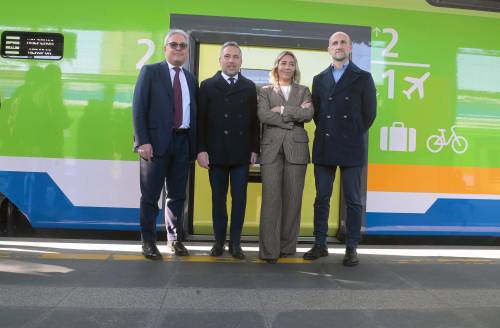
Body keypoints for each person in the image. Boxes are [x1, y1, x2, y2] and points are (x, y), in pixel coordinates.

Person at [303, 31, 376, 266]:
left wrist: (351, 132)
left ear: (350, 47)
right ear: (328, 48)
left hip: (351, 145)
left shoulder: (363, 77)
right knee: (322, 197)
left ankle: (352, 246)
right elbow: (317, 113)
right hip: (325, 144)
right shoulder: (319, 78)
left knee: (353, 199)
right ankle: (319, 244)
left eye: (343, 42)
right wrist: (329, 128)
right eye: (335, 42)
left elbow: (369, 113)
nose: (339, 46)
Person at [132, 29, 198, 260]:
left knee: (177, 195)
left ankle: (174, 239)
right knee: (150, 197)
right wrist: (142, 141)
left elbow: (193, 114)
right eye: (174, 44)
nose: (178, 48)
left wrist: (194, 146)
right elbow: (139, 109)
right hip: (155, 145)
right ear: (165, 48)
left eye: (182, 45)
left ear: (187, 51)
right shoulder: (151, 72)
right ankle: (148, 242)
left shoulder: (190, 78)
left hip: (182, 143)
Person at [197, 41, 259, 259]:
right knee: (218, 199)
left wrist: (254, 148)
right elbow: (200, 121)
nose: (231, 61)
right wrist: (201, 149)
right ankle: (218, 242)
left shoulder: (250, 86)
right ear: (220, 60)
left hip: (242, 153)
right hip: (215, 152)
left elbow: (254, 122)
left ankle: (235, 243)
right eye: (227, 56)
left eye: (235, 57)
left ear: (241, 61)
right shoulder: (207, 86)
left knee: (240, 199)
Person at [258, 51, 314, 264]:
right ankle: (269, 251)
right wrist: (292, 116)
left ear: (295, 68)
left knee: (293, 199)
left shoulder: (304, 90)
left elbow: (308, 115)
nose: (287, 67)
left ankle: (288, 248)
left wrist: (282, 109)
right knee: (271, 199)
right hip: (271, 148)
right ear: (276, 66)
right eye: (283, 63)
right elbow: (263, 115)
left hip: (296, 149)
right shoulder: (264, 91)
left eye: (291, 64)